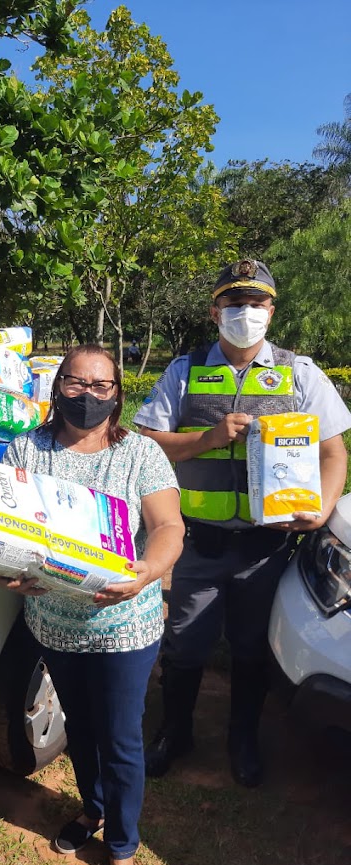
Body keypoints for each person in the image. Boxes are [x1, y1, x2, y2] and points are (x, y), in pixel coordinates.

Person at [134, 258, 351, 787]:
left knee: (253, 646)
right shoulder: (183, 372)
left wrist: (321, 510)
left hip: (268, 549)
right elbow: (145, 442)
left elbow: (333, 454)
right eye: (235, 304)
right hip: (199, 545)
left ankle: (243, 737)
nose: (246, 313)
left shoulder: (300, 374)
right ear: (215, 311)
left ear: (271, 312)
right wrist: (205, 438)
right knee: (185, 643)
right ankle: (176, 731)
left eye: (257, 304)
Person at [0, 344, 185, 865]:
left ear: (117, 394)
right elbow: (0, 525)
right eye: (75, 383)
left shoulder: (139, 453)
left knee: (120, 738)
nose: (88, 395)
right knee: (81, 728)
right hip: (55, 624)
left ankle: (122, 846)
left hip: (125, 624)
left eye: (101, 386)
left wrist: (146, 574)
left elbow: (169, 525)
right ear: (56, 389)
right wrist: (5, 575)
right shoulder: (26, 448)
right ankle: (92, 809)